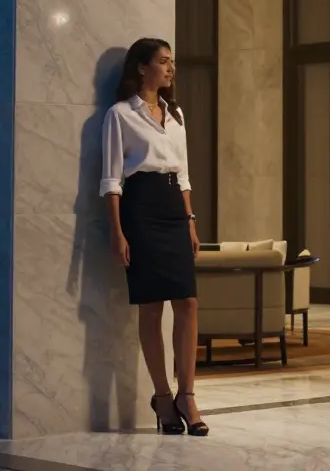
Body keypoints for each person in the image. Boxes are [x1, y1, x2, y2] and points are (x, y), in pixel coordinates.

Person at [101, 38, 208, 437]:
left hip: (173, 210)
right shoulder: (119, 115)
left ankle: (188, 394)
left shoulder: (176, 115)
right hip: (140, 209)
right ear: (142, 67)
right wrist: (117, 232)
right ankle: (163, 396)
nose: (170, 68)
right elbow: (112, 180)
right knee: (151, 307)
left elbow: (183, 175)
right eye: (163, 62)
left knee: (189, 302)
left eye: (172, 62)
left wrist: (191, 221)